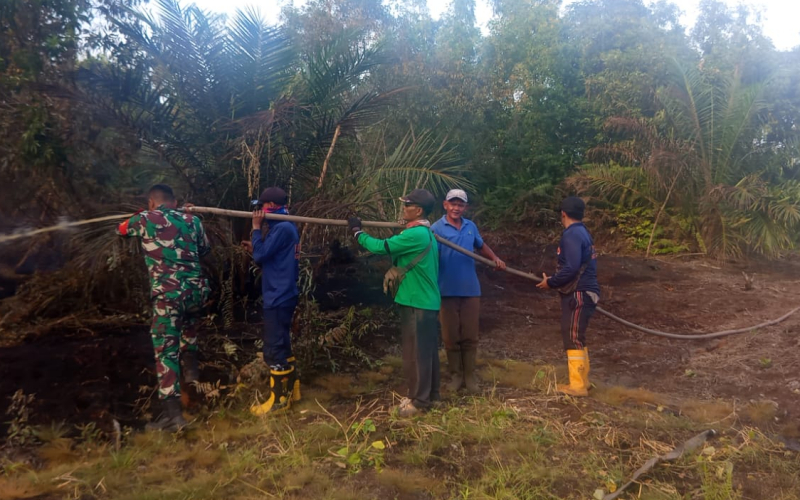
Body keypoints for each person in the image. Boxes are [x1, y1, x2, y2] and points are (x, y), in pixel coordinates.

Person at [116, 184, 211, 432]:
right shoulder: (193, 220)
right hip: (195, 292)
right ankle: (191, 371)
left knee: (165, 351)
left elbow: (121, 230)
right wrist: (186, 217)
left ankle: (173, 417)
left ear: (151, 202)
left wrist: (140, 215)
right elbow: (205, 250)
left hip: (168, 296)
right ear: (175, 200)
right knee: (188, 322)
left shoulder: (144, 218)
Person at [348, 189, 440, 417]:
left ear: (417, 210)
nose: (403, 208)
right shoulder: (422, 233)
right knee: (426, 352)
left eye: (407, 205)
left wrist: (357, 231)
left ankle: (419, 402)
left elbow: (381, 247)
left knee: (417, 353)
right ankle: (430, 396)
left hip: (417, 301)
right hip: (420, 300)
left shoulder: (416, 234)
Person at [431, 189, 505, 394]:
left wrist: (495, 259)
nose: (456, 208)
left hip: (470, 289)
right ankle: (456, 375)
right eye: (452, 203)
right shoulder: (436, 229)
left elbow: (482, 246)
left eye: (460, 204)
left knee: (470, 335)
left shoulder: (470, 226)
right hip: (446, 290)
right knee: (450, 335)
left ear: (465, 207)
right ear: (445, 204)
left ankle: (470, 376)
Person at [243, 187, 301, 416]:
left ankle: (279, 400)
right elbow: (267, 256)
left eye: (262, 207)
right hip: (282, 293)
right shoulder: (283, 227)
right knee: (283, 345)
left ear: (271, 206)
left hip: (278, 295)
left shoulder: (283, 227)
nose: (259, 212)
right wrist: (256, 245)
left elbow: (260, 256)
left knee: (275, 349)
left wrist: (256, 230)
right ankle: (293, 391)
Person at [536, 196, 600, 397]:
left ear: (563, 213)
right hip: (586, 291)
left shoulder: (571, 235)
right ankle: (583, 382)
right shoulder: (583, 233)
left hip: (578, 293)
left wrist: (551, 282)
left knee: (572, 337)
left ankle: (578, 386)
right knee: (577, 336)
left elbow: (571, 267)